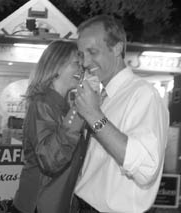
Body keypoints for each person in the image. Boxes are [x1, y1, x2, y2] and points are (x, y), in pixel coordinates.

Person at [72, 15, 169, 213]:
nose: (85, 62)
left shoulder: (144, 94)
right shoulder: (104, 97)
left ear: (117, 48)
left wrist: (93, 115)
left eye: (92, 52)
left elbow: (146, 169)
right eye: (82, 54)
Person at [13, 40, 91, 213]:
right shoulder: (42, 103)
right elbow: (50, 159)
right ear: (56, 66)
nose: (81, 69)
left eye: (82, 65)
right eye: (76, 64)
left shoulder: (64, 106)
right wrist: (78, 112)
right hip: (38, 204)